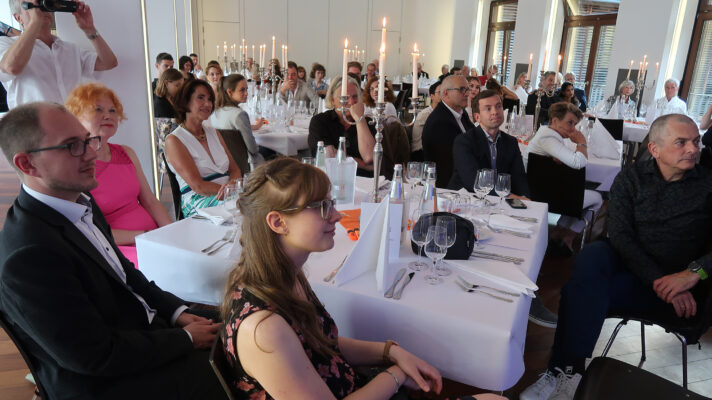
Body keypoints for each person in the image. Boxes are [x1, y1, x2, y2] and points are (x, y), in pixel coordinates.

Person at [220, 157, 506, 400]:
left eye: (331, 203)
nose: (336, 215)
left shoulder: (284, 278)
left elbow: (323, 344)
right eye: (321, 207)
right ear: (278, 222)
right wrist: (395, 375)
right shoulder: (264, 328)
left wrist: (391, 352)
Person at [0, 102, 226, 399]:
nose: (92, 153)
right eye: (72, 146)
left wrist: (177, 312)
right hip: (109, 382)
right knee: (246, 365)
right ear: (27, 164)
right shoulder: (29, 255)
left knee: (252, 319)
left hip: (142, 336)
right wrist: (184, 338)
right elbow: (93, 356)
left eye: (88, 140)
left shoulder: (80, 200)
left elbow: (125, 274)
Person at [520, 113, 712, 400]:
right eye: (681, 142)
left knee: (580, 291)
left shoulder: (708, 185)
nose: (693, 149)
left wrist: (693, 274)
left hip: (682, 291)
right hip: (639, 272)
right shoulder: (631, 179)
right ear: (655, 149)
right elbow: (621, 236)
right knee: (591, 257)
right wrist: (660, 279)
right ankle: (568, 374)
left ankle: (565, 371)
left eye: (696, 142)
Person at [66, 82, 172, 267]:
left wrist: (171, 233)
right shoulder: (74, 164)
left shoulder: (126, 152)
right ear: (76, 116)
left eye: (112, 110)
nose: (108, 115)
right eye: (98, 109)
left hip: (150, 239)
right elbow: (87, 229)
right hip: (114, 249)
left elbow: (150, 201)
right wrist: (144, 236)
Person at [0, 0, 117, 109]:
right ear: (18, 18)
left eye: (42, 2)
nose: (40, 9)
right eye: (32, 6)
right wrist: (35, 22)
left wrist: (89, 29)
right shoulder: (7, 44)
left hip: (72, 122)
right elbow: (11, 67)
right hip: (32, 124)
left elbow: (108, 62)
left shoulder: (70, 49)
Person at [524, 102, 602, 251]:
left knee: (579, 191)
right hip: (545, 195)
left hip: (543, 190)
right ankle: (568, 236)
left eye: (575, 124)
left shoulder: (546, 134)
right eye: (570, 123)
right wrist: (582, 143)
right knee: (598, 198)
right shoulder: (548, 138)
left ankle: (557, 233)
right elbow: (579, 162)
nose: (573, 128)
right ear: (554, 120)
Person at [164, 79, 242, 217]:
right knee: (246, 206)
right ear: (185, 101)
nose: (208, 104)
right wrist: (231, 192)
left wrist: (232, 187)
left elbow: (235, 170)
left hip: (229, 195)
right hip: (197, 200)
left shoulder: (213, 132)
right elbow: (198, 186)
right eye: (201, 98)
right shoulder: (174, 140)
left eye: (210, 99)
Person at [449, 90, 529, 197]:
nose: (495, 112)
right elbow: (473, 181)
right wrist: (509, 197)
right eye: (488, 109)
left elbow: (519, 179)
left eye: (498, 106)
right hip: (465, 199)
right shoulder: (464, 141)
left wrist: (525, 199)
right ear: (477, 117)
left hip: (501, 202)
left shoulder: (511, 142)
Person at [308, 76, 376, 176]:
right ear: (332, 99)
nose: (351, 102)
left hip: (365, 181)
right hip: (331, 178)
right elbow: (329, 156)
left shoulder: (369, 123)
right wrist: (363, 165)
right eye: (345, 98)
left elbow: (370, 157)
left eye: (355, 96)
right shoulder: (320, 121)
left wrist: (360, 120)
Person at [422, 74, 476, 187]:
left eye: (467, 89)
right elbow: (457, 159)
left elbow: (476, 137)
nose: (467, 94)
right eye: (462, 89)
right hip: (448, 185)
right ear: (446, 93)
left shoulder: (461, 112)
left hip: (463, 175)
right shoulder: (439, 122)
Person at [209, 74, 266, 169]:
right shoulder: (239, 115)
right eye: (242, 90)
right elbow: (253, 149)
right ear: (229, 92)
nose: (246, 93)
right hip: (244, 164)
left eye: (246, 89)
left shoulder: (215, 113)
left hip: (223, 162)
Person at [411, 81, 441, 162]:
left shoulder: (440, 112)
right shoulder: (426, 114)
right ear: (432, 96)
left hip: (432, 150)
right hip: (420, 154)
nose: (443, 95)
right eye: (440, 92)